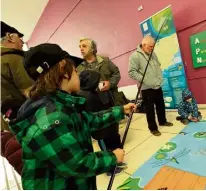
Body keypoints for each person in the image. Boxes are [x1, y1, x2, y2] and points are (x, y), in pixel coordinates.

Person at [9, 43, 136, 190]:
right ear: (63, 69)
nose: (78, 76)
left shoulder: (60, 103)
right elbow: (75, 165)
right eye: (75, 71)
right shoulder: (51, 117)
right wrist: (112, 158)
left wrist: (120, 110)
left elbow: (88, 120)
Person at [77, 38, 124, 155]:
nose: (81, 49)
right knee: (101, 133)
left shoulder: (105, 61)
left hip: (109, 100)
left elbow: (116, 74)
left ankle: (118, 152)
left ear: (92, 48)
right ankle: (108, 156)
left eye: (84, 46)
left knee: (113, 128)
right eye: (80, 46)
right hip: (93, 105)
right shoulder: (79, 67)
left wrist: (110, 83)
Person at [78, 70, 127, 176]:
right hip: (100, 131)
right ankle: (110, 169)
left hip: (109, 124)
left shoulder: (98, 91)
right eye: (97, 81)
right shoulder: (85, 96)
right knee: (106, 149)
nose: (100, 82)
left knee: (114, 141)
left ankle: (117, 162)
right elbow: (93, 117)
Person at [128, 35, 173, 136]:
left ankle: (163, 121)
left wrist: (158, 77)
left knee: (161, 105)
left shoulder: (153, 54)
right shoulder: (135, 56)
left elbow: (158, 65)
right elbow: (131, 72)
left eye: (153, 46)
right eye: (150, 47)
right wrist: (144, 79)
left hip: (157, 85)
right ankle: (153, 128)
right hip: (146, 88)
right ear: (143, 45)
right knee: (150, 110)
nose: (152, 49)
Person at [1, 21, 34, 131]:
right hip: (27, 123)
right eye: (20, 38)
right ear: (9, 37)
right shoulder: (14, 58)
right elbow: (31, 91)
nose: (22, 42)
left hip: (8, 128)